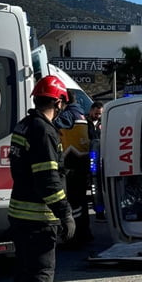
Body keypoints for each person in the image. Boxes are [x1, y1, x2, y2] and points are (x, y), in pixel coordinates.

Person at [5, 75, 75, 282]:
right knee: (37, 281)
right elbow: (48, 179)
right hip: (37, 220)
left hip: (22, 215)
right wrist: (66, 213)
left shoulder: (25, 125)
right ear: (58, 102)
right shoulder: (44, 131)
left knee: (25, 280)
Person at [55, 92, 92, 245]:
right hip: (81, 163)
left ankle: (75, 237)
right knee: (81, 202)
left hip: (72, 164)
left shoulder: (69, 115)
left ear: (64, 101)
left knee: (73, 203)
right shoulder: (80, 114)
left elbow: (52, 123)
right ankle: (85, 233)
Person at [87, 99, 105, 219]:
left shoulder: (103, 123)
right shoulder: (83, 121)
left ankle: (100, 212)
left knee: (98, 187)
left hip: (99, 161)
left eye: (100, 114)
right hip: (86, 158)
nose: (98, 116)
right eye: (96, 113)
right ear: (91, 111)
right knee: (94, 187)